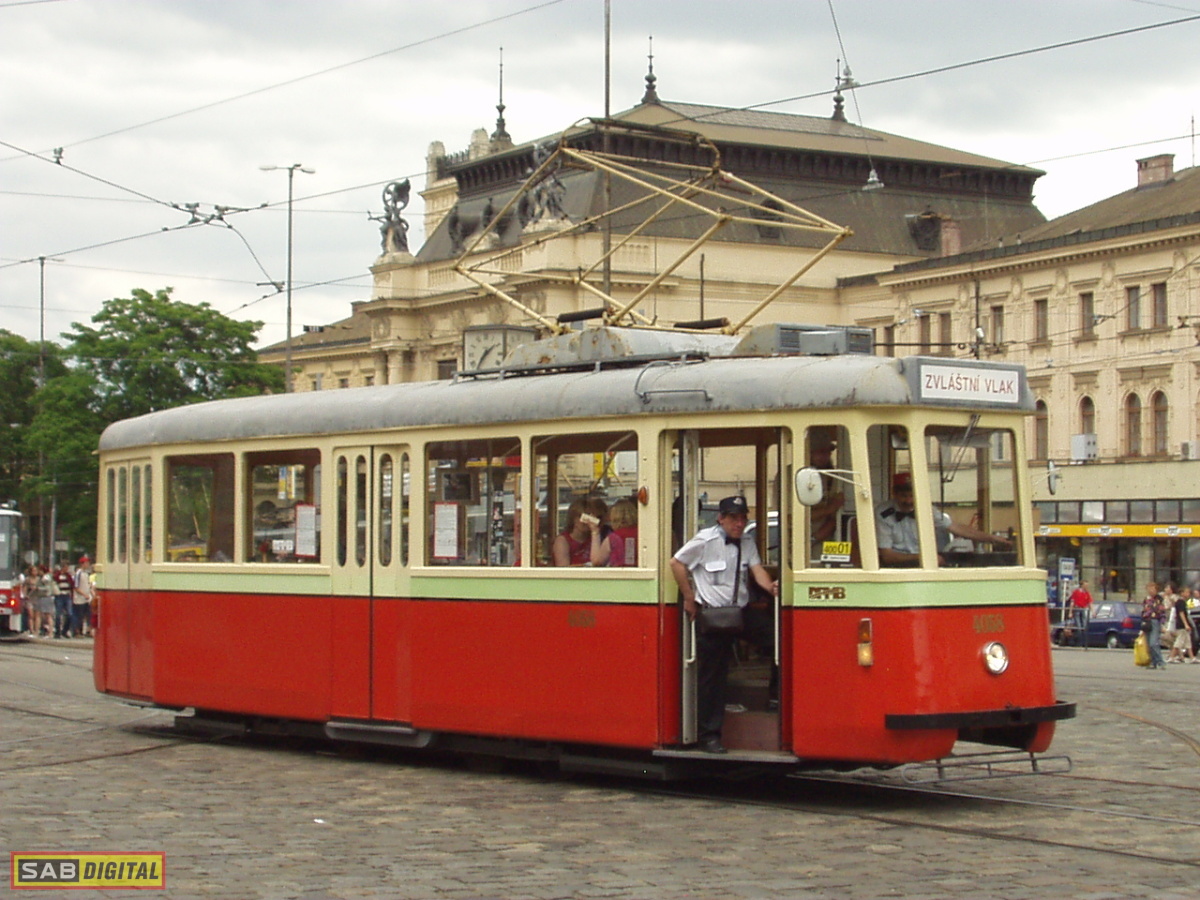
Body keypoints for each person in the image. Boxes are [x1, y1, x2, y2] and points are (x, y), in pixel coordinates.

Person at [670, 495, 779, 754]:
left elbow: (757, 570)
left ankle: (776, 699)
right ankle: (709, 736)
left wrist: (771, 587)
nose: (739, 523)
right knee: (712, 678)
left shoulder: (747, 542)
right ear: (721, 519)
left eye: (742, 518)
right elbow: (676, 563)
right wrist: (688, 597)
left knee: (779, 640)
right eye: (733, 518)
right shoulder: (705, 540)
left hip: (740, 612)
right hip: (714, 615)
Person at [875, 472, 1012, 567]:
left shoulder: (926, 509)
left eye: (912, 496)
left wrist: (992, 539)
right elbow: (888, 556)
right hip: (896, 568)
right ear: (894, 494)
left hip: (925, 565)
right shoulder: (883, 514)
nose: (908, 501)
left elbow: (955, 527)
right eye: (904, 496)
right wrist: (922, 557)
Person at [551, 497, 611, 567]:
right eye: (584, 518)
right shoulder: (563, 541)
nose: (587, 522)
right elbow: (563, 568)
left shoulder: (597, 537)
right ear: (574, 518)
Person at [1140, 582, 1166, 670]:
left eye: (1152, 589)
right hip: (1147, 622)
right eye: (1149, 589)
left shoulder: (1159, 599)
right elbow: (1143, 611)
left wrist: (1162, 624)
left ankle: (1160, 661)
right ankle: (1152, 662)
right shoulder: (1146, 599)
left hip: (1155, 621)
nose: (1150, 591)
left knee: (1153, 643)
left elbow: (1162, 612)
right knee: (1148, 643)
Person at [1166, 587, 1195, 663]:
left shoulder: (1181, 602)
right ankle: (1171, 657)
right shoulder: (1181, 602)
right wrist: (1186, 624)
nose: (1188, 594)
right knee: (1179, 642)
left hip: (1182, 625)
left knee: (1188, 642)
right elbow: (1181, 613)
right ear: (1182, 593)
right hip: (1181, 625)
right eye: (1186, 592)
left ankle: (1192, 658)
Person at [607, 498, 638, 567]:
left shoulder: (614, 537)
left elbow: (597, 560)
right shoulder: (641, 533)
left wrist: (595, 532)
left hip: (619, 571)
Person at [72, 556, 94, 638]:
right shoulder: (78, 573)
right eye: (86, 563)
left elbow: (88, 586)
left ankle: (88, 630)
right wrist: (84, 594)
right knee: (79, 616)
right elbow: (76, 587)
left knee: (88, 615)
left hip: (86, 599)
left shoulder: (86, 574)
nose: (88, 564)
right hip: (79, 599)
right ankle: (77, 632)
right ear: (82, 564)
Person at [1069, 580, 1093, 648]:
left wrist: (1092, 611)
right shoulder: (1076, 592)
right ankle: (1078, 642)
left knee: (1084, 626)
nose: (1086, 587)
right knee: (1078, 626)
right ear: (1082, 585)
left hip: (1083, 609)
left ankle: (1083, 642)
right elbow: (1072, 602)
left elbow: (1090, 602)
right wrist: (1070, 612)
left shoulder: (1087, 593)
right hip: (1077, 608)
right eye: (1085, 585)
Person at [52, 561, 74, 638]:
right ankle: (57, 632)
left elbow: (72, 585)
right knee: (58, 614)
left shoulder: (68, 576)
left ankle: (65, 630)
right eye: (66, 567)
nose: (67, 569)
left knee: (69, 614)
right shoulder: (57, 575)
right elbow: (54, 583)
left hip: (67, 595)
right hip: (59, 596)